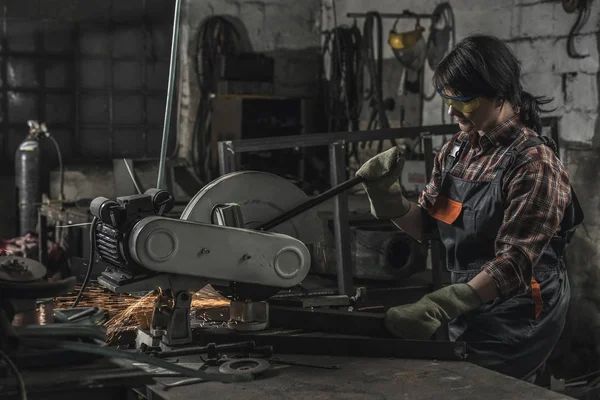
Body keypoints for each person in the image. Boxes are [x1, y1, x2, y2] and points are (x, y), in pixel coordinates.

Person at [356, 34, 584, 381]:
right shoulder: (455, 152)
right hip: (467, 300)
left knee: (466, 384)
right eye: (448, 98)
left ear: (499, 94)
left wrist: (439, 304)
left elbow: (514, 263)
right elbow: (428, 226)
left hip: (521, 308)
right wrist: (389, 200)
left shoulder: (533, 162)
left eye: (462, 99)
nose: (451, 110)